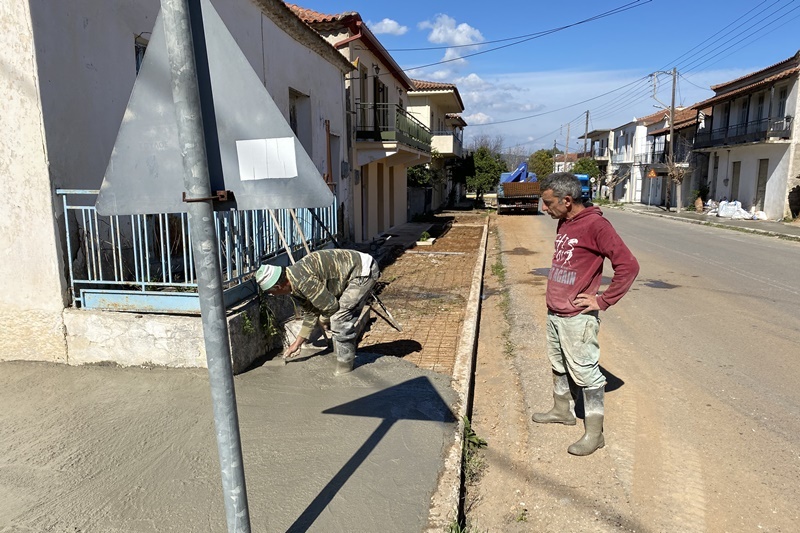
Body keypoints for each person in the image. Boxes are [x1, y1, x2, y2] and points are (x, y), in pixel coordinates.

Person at [533, 172, 640, 456]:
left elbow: (628, 266)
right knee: (558, 364)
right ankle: (562, 410)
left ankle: (595, 434)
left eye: (548, 203)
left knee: (587, 374)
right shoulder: (564, 222)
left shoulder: (596, 225)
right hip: (556, 312)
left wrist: (603, 301)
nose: (544, 209)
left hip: (577, 318)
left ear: (567, 200)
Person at [255, 249, 380, 376]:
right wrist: (296, 344)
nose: (273, 295)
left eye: (271, 293)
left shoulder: (302, 281)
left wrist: (323, 320)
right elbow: (311, 313)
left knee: (339, 318)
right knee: (336, 319)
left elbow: (331, 306)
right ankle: (339, 354)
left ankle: (345, 367)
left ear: (278, 286)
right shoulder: (293, 283)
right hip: (350, 273)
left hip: (363, 272)